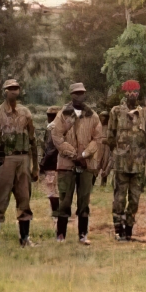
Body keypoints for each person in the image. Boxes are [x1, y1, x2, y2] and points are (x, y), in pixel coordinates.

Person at [0, 78, 39, 247]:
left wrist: (35, 166)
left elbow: (32, 140)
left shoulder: (26, 113)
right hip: (4, 160)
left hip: (23, 159)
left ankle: (24, 237)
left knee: (24, 199)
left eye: (16, 88)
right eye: (10, 88)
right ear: (5, 91)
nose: (13, 91)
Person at [51, 82, 103, 245]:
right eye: (76, 93)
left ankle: (83, 234)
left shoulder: (92, 115)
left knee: (84, 201)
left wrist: (85, 154)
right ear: (71, 95)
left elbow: (98, 139)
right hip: (67, 165)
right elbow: (57, 137)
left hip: (86, 165)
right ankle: (61, 234)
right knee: (64, 200)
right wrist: (74, 155)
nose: (79, 96)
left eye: (82, 93)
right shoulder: (63, 114)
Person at [108, 80, 146, 241]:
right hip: (121, 163)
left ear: (138, 94)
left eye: (135, 92)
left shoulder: (145, 113)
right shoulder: (116, 112)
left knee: (134, 199)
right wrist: (117, 153)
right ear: (124, 93)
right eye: (129, 92)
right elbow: (110, 136)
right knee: (119, 198)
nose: (132, 95)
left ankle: (129, 229)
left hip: (139, 164)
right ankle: (118, 229)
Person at [40, 105, 61, 221]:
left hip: (53, 163)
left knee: (52, 188)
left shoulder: (55, 129)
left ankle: (56, 212)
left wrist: (43, 163)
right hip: (57, 163)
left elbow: (51, 149)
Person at [97, 110, 111, 187]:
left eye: (104, 117)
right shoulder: (98, 126)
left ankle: (103, 182)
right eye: (102, 117)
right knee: (97, 162)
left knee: (105, 162)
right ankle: (93, 180)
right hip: (99, 145)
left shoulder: (109, 126)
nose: (103, 118)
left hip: (107, 145)